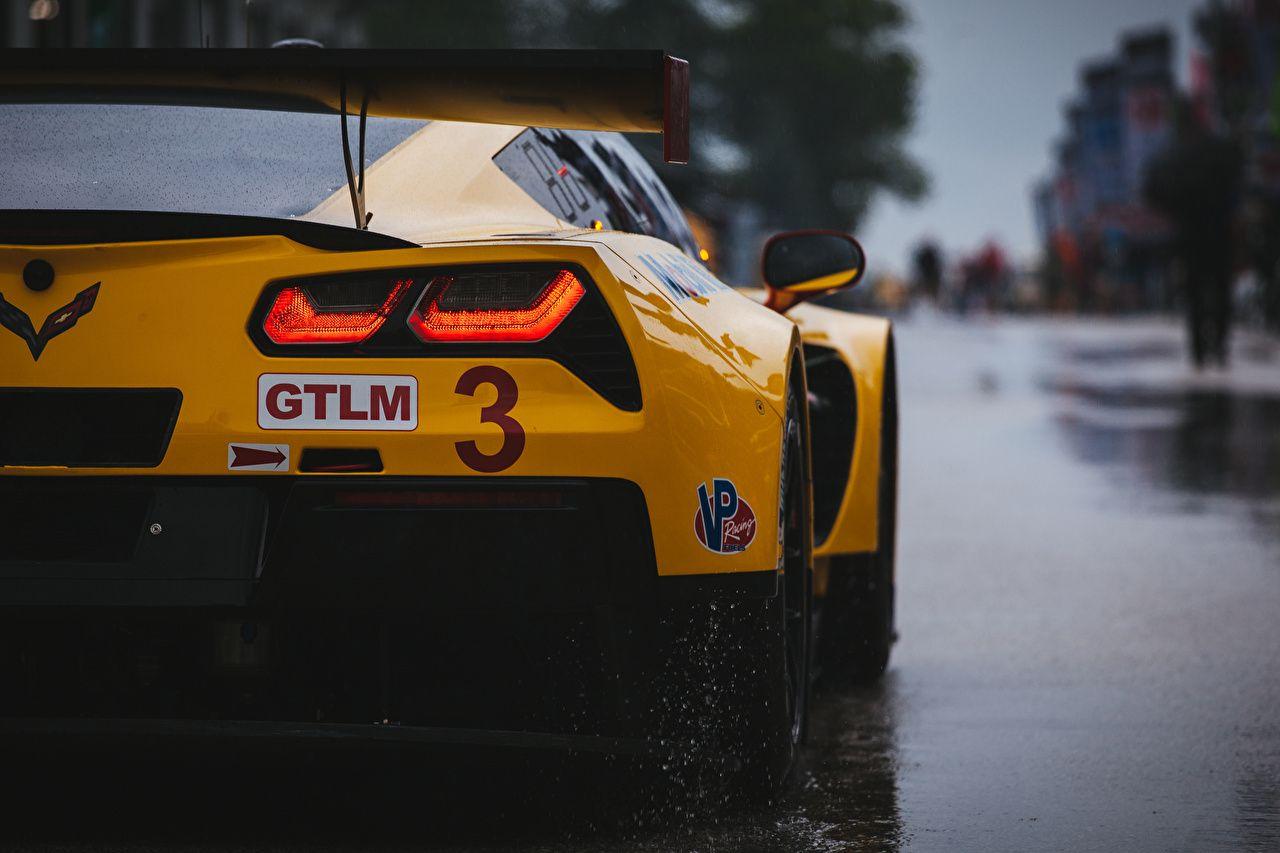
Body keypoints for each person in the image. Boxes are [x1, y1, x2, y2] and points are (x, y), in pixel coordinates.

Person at [1143, 100, 1243, 368]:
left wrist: (1173, 211)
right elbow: (1240, 179)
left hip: (1187, 231)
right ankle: (1219, 346)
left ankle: (1199, 349)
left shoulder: (1171, 155)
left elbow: (1152, 191)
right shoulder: (1219, 149)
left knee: (1194, 290)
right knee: (1221, 288)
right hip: (1219, 228)